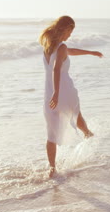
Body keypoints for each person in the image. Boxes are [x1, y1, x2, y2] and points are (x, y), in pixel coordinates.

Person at [39, 15, 103, 178]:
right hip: (63, 91)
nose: (70, 35)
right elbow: (56, 69)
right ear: (65, 28)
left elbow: (69, 52)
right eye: (70, 31)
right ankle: (89, 135)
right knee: (76, 116)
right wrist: (57, 93)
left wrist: (90, 52)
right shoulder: (60, 47)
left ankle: (52, 168)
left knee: (51, 133)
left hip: (49, 95)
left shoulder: (49, 46)